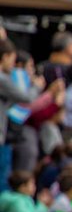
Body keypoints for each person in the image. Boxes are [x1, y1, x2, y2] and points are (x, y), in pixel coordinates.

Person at [0, 38, 35, 190]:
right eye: (12, 60)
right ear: (5, 56)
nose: (13, 66)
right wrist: (37, 86)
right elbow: (25, 98)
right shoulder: (2, 78)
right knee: (3, 177)